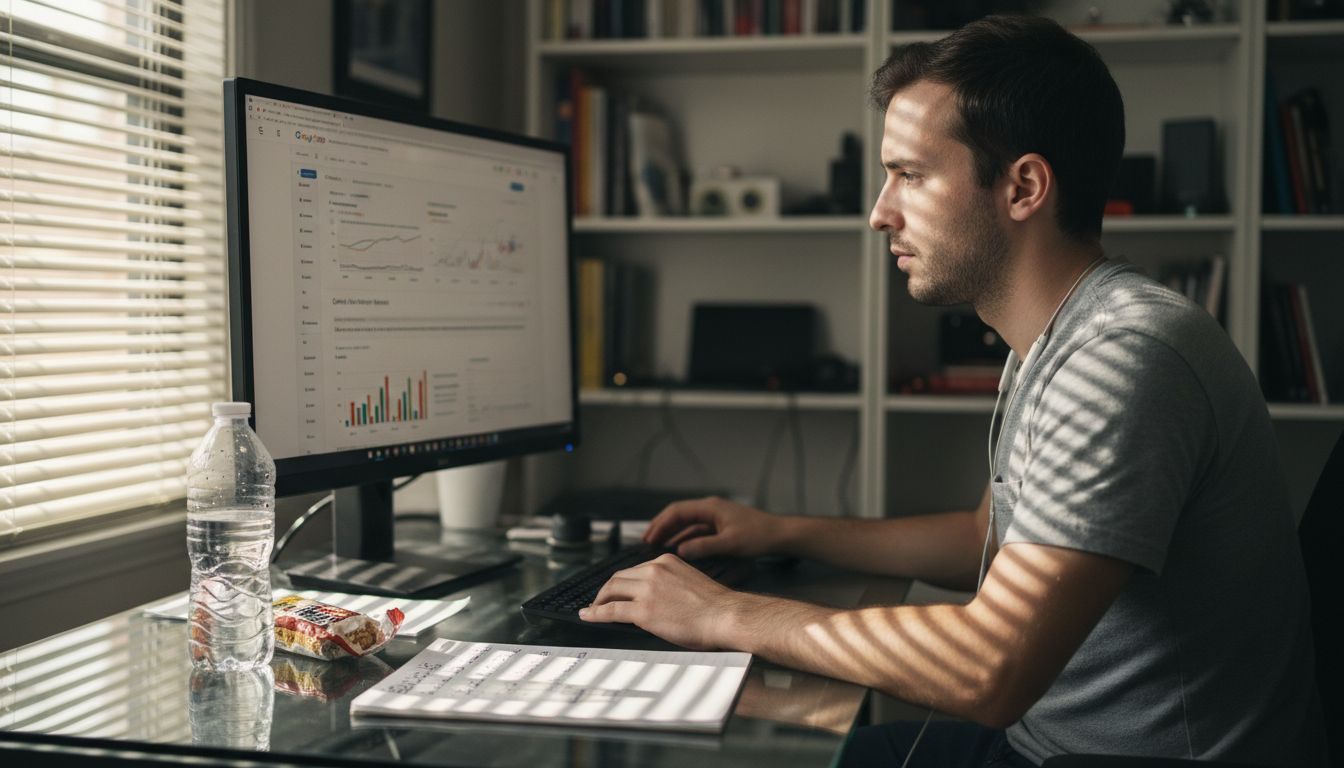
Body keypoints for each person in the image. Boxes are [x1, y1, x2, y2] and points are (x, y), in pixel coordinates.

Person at [579, 14, 1327, 767]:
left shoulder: (1123, 357)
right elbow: (989, 537)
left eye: (910, 175)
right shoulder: (1059, 336)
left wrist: (725, 613)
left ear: (1024, 187)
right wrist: (781, 531)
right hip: (1045, 748)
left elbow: (988, 668)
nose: (880, 213)